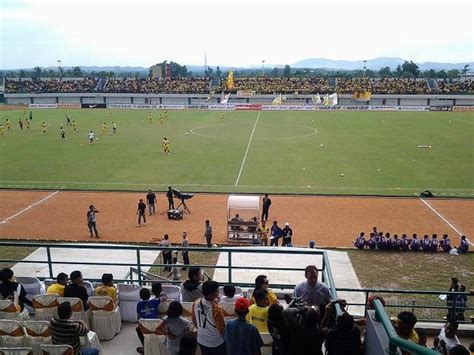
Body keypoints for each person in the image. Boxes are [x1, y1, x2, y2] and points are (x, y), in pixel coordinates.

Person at [192, 281, 226, 355]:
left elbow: (194, 320)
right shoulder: (217, 310)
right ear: (211, 295)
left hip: (201, 339)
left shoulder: (196, 302)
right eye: (217, 291)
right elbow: (221, 329)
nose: (218, 292)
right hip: (215, 342)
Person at [136, 287, 166, 353]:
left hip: (145, 328)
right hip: (156, 326)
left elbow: (138, 317)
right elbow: (164, 298)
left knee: (137, 329)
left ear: (140, 296)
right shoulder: (154, 301)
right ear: (150, 295)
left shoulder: (139, 304)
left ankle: (145, 346)